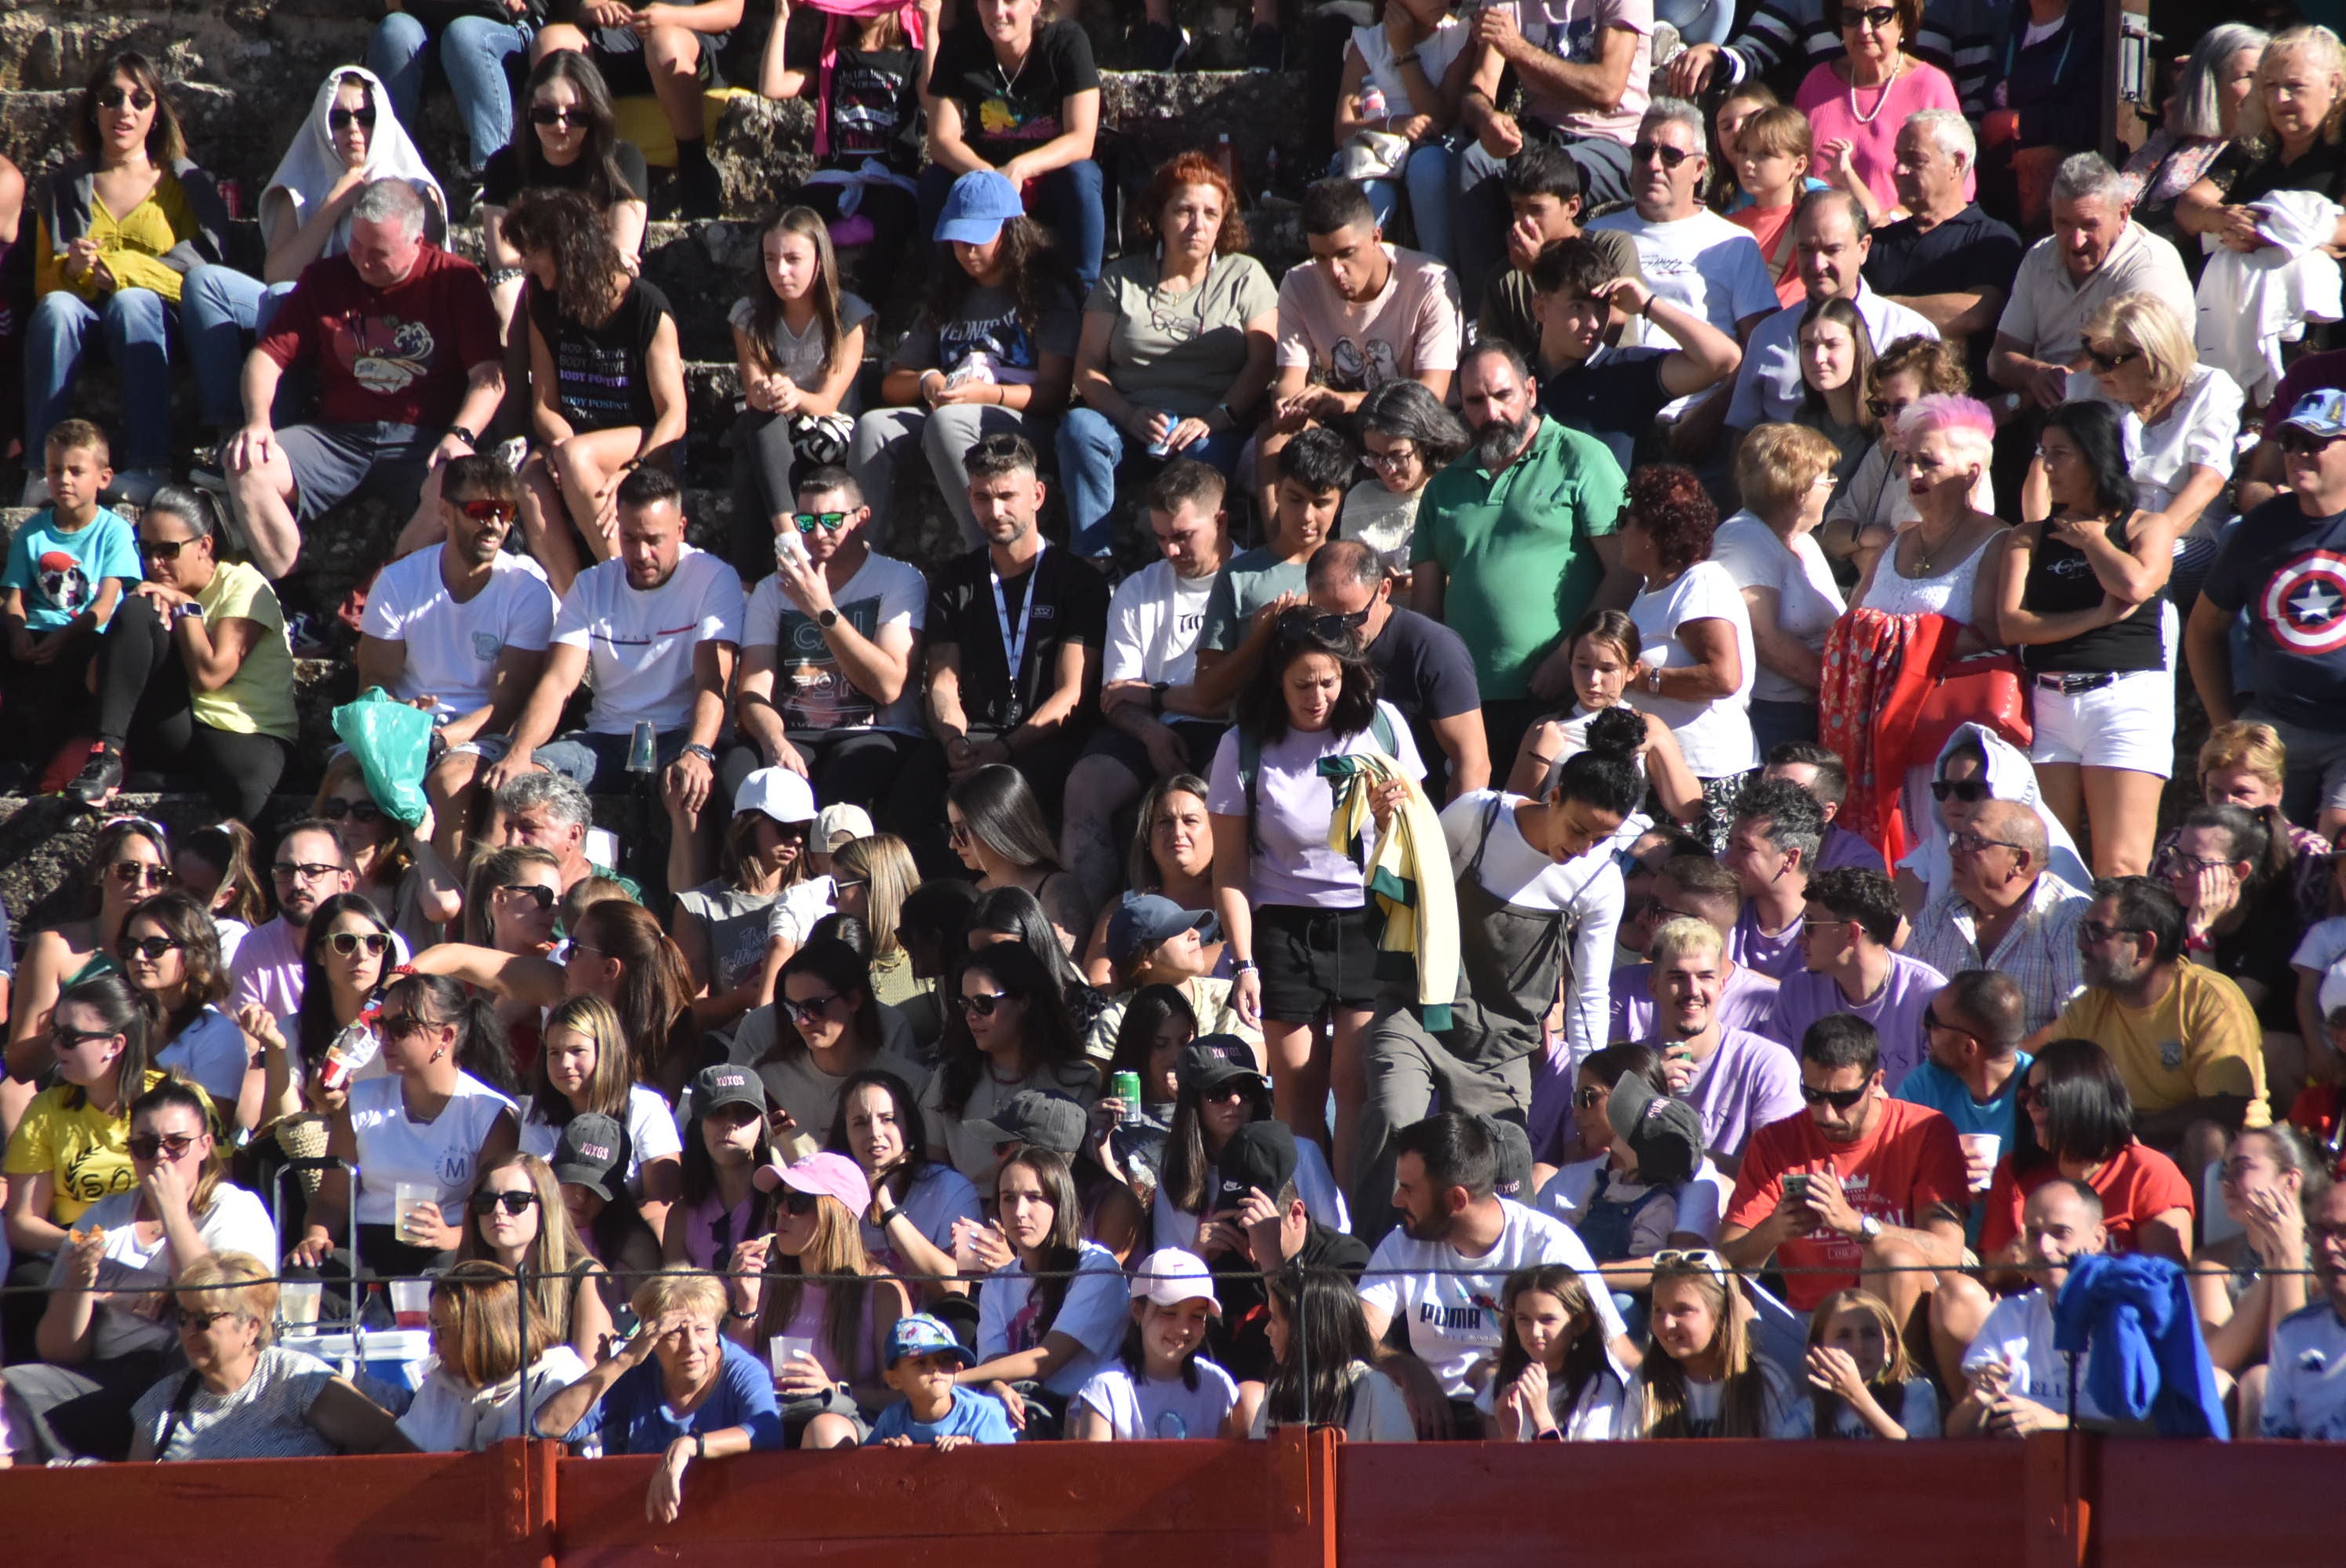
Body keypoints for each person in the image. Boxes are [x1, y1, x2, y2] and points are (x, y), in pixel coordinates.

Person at [1353, 726, 1636, 1232]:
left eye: (1603, 839)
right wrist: (1383, 826)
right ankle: (1372, 1265)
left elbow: (1589, 994)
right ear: (1553, 797)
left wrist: (1586, 1093)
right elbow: (1407, 875)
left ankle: (1502, 1294)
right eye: (1578, 829)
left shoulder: (1601, 880)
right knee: (1396, 1122)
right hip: (1418, 1012)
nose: (1586, 848)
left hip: (1502, 1044)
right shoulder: (1479, 815)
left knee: (1506, 1163)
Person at [1209, 612, 1424, 1178]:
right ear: (1277, 680)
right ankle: (1310, 1220)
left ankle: (1349, 1225)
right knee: (1299, 1093)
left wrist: (1389, 816)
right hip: (1282, 927)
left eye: (1329, 681)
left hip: (1366, 919)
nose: (1317, 697)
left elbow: (1420, 836)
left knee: (1353, 1089)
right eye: (1302, 684)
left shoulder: (1382, 727)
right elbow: (1230, 870)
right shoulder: (1243, 745)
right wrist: (1244, 963)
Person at [224, 177, 503, 580]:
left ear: (417, 242)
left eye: (379, 253)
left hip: (421, 438)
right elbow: (266, 358)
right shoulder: (326, 279)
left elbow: (488, 377)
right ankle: (291, 595)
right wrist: (257, 422)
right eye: (356, 245)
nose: (363, 261)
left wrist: (461, 435)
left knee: (455, 483)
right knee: (246, 465)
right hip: (339, 437)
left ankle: (388, 590)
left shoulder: (456, 281)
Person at [4, 1080, 270, 1462]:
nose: (160, 1157)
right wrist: (79, 1281)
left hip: (195, 1370)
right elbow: (57, 1349)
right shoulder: (105, 1217)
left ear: (204, 1146)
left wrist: (174, 1213)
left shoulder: (234, 1210)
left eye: (175, 1143)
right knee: (9, 1389)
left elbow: (213, 1304)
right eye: (145, 1147)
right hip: (109, 1373)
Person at [179, 67, 445, 445]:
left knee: (279, 299)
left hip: (365, 316)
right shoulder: (302, 181)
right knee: (206, 283)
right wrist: (334, 203)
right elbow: (278, 272)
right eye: (340, 118)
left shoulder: (410, 186)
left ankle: (281, 434)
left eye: (365, 117)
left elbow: (426, 269)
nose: (353, 129)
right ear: (322, 124)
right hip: (304, 305)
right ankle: (225, 427)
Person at [484, 466, 743, 855]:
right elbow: (557, 683)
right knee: (520, 788)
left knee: (686, 792)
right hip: (604, 739)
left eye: (654, 540)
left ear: (681, 529)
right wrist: (520, 752)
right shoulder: (592, 585)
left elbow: (713, 681)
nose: (640, 554)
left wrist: (698, 751)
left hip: (676, 734)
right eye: (630, 538)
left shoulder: (711, 578)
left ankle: (684, 908)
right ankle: (494, 904)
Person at [1413, 338, 1632, 768]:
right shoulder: (1442, 487)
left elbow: (1625, 572)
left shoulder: (1582, 457)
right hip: (1465, 706)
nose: (1491, 412)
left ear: (1530, 390)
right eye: (1475, 400)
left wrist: (1568, 655)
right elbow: (1425, 608)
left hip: (1562, 698)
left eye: (1503, 395)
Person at [23, 53, 231, 504]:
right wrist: (71, 270)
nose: (125, 111)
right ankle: (41, 470)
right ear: (94, 108)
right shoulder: (60, 186)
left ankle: (149, 465)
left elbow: (204, 275)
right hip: (83, 320)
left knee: (132, 302)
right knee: (56, 307)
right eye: (112, 98)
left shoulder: (185, 184)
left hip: (155, 323)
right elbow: (43, 285)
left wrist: (122, 272)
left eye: (140, 99)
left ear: (157, 113)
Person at [1059, 151, 1275, 558]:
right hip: (1129, 430)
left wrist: (1213, 419)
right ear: (1159, 216)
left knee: (1198, 459)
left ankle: (1187, 567)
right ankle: (1094, 564)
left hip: (1210, 433)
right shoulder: (1120, 278)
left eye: (1211, 213)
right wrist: (1127, 414)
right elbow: (1087, 369)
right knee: (1079, 429)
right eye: (1184, 211)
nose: (1198, 224)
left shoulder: (1245, 276)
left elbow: (1263, 362)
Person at [1994, 404, 2175, 880]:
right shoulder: (2027, 537)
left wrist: (2095, 541)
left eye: (2060, 454)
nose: (2046, 467)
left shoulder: (2145, 527)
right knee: (2051, 863)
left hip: (2125, 699)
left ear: (2095, 457)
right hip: (2050, 703)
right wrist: (2095, 617)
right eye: (2043, 453)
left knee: (2121, 864)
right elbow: (2012, 625)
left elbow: (2136, 585)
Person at [855, 178, 1078, 551]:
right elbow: (892, 384)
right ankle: (858, 561)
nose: (967, 250)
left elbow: (1054, 392)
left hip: (1022, 422)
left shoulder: (1045, 294)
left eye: (977, 238)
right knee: (872, 427)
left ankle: (991, 553)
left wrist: (987, 394)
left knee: (947, 422)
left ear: (1010, 231)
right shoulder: (947, 295)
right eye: (958, 240)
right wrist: (928, 381)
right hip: (952, 416)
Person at [1720, 1014, 1969, 1346]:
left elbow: (1947, 1253)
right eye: (1811, 1095)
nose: (1826, 1114)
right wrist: (1773, 1231)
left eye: (1843, 1099)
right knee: (1720, 1294)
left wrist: (1856, 1224)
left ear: (1877, 1081)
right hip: (1809, 1323)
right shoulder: (1774, 1142)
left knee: (1892, 1258)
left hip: (1894, 1321)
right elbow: (1723, 1260)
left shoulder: (1924, 1131)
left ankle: (1896, 1390)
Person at [354, 453, 554, 865]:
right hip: (403, 726)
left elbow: (507, 703)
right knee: (344, 790)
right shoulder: (399, 582)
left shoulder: (526, 589)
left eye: (505, 511)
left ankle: (454, 914)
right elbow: (373, 688)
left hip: (480, 734)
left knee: (451, 782)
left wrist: (440, 739)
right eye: (480, 510)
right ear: (445, 510)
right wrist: (403, 721)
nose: (495, 523)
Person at [911, 433, 1109, 845]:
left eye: (1007, 496)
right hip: (974, 736)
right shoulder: (955, 579)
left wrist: (1006, 747)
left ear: (1037, 495)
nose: (995, 510)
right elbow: (943, 680)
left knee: (1001, 797)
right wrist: (953, 739)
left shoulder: (1079, 580)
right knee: (911, 793)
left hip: (1045, 738)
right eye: (983, 498)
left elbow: (1070, 693)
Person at [1360, 1112, 1632, 1410]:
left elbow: (1612, 1348)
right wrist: (1406, 1369)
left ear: (1457, 1201)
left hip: (1527, 1413)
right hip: (1429, 1415)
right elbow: (1356, 1334)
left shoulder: (1548, 1244)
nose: (1396, 1200)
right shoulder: (1404, 1242)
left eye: (1409, 1189)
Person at [60, 488, 296, 821]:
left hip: (244, 736)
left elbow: (210, 676)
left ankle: (171, 779)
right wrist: (128, 623)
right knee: (138, 611)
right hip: (183, 732)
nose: (155, 563)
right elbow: (97, 683)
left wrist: (186, 608)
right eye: (146, 550)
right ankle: (106, 757)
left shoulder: (243, 583)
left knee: (244, 802)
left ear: (204, 546)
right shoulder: (152, 597)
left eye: (168, 551)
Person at [1059, 463, 1235, 902]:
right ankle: (1078, 933)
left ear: (1220, 520)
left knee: (1226, 777)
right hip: (1150, 724)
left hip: (1225, 726)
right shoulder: (1138, 589)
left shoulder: (1249, 581)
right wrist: (1151, 729)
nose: (1170, 551)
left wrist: (1154, 694)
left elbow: (1233, 701)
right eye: (1160, 537)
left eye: (1182, 536)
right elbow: (1116, 696)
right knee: (1086, 784)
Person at [505, 188, 686, 588]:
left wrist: (634, 468)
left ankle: (627, 590)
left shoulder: (644, 306)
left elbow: (674, 415)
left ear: (566, 249)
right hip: (575, 441)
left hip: (642, 442)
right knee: (529, 481)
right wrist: (561, 450)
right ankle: (579, 605)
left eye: (534, 251)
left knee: (575, 455)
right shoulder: (542, 300)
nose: (526, 263)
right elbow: (544, 404)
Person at [2188, 389, 2346, 834]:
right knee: (2245, 835)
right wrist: (2227, 727)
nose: (2298, 454)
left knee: (2340, 827)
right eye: (2291, 443)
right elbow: (2204, 628)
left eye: (2315, 443)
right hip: (2277, 723)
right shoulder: (2258, 529)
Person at [1260, 177, 1460, 517]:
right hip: (1350, 425)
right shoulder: (1299, 282)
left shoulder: (1428, 282)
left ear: (1376, 237)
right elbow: (1290, 374)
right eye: (1320, 257)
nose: (1333, 271)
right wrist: (1287, 404)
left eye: (1345, 254)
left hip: (1419, 426)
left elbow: (1431, 395)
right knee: (1273, 440)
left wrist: (1344, 402)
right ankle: (1286, 557)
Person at [2047, 876, 2268, 1170]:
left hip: (2217, 1157)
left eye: (2096, 932)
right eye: (2082, 929)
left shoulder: (2210, 998)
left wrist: (2129, 1129)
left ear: (2145, 945)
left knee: (2206, 1136)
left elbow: (2227, 1108)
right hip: (2121, 1144)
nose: (2081, 944)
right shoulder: (2089, 1005)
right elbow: (2058, 1085)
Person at [530, 1271, 785, 1522]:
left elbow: (766, 1429)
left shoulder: (742, 1371)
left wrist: (690, 1445)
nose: (692, 1345)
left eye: (702, 1330)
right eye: (675, 1332)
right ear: (650, 1335)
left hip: (726, 1522)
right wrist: (626, 1358)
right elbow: (549, 1425)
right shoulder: (639, 1373)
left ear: (717, 1327)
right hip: (642, 1526)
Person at [125, 1251, 410, 1461]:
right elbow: (137, 1499)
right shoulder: (161, 1403)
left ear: (252, 1327)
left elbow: (394, 1445)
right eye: (183, 1318)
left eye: (204, 1320)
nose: (189, 1331)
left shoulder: (298, 1382)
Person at [1722, 190, 1939, 446]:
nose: (1817, 263)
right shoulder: (1768, 335)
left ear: (1863, 248)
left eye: (1832, 249)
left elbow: (1937, 431)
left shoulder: (1909, 332)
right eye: (1806, 249)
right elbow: (1742, 433)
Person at [1988, 153, 2196, 418]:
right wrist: (2036, 374)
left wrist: (2021, 400)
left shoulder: (2152, 265)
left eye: (2089, 225)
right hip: (2051, 418)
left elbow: (2122, 366)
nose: (2076, 241)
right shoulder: (2040, 256)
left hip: (2131, 418)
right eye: (2063, 223)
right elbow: (1999, 360)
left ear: (2123, 213)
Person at [726, 209, 874, 580]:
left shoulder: (849, 315)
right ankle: (790, 540)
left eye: (793, 260)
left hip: (829, 435)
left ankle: (747, 583)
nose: (781, 272)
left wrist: (793, 395)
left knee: (751, 468)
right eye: (771, 259)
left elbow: (827, 401)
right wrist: (767, 391)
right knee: (758, 422)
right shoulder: (748, 316)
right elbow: (753, 388)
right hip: (776, 431)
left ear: (819, 261)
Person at [726, 1151, 910, 1449]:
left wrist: (834, 1390)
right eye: (778, 1201)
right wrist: (746, 1302)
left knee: (824, 1429)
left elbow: (906, 1391)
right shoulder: (767, 1283)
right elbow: (730, 1381)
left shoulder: (880, 1291)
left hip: (851, 1427)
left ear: (836, 1214)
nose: (782, 1212)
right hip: (772, 1419)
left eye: (798, 1202)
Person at [921, 0, 1103, 291]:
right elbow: (942, 140)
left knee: (1082, 176)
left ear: (1034, 4)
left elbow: (1082, 138)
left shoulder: (1067, 41)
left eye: (1009, 2)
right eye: (988, 2)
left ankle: (1084, 291)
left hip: (1046, 175)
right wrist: (990, 178)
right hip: (983, 173)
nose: (998, 12)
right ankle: (939, 294)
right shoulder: (959, 45)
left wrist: (1019, 168)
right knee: (934, 182)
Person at [1526, 234, 1745, 474]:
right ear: (1540, 308)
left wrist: (1647, 305)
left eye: (1601, 307)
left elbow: (1724, 359)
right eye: (1577, 307)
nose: (1594, 323)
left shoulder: (1623, 371)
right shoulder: (1511, 379)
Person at [1620, 464, 1756, 836]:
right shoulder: (1650, 590)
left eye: (1625, 518)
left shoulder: (1700, 582)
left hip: (1704, 780)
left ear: (1653, 530)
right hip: (1662, 775)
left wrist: (1645, 680)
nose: (1620, 530)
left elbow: (1724, 676)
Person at [0, 420, 137, 785]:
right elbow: (13, 597)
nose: (64, 480)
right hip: (35, 633)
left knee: (72, 665)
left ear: (104, 477)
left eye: (76, 471)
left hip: (83, 636)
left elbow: (105, 606)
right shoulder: (32, 531)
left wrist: (62, 638)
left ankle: (37, 765)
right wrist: (17, 633)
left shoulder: (115, 532)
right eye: (55, 470)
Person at [2046, 293, 2238, 553]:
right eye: (2092, 355)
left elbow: (2206, 483)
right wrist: (2039, 538)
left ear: (2152, 358)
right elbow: (2043, 468)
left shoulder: (2211, 390)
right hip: (2096, 533)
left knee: (2132, 579)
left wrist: (2145, 546)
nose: (2095, 371)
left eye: (2106, 361)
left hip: (2183, 539)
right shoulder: (2086, 387)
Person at [1977, 1037, 2195, 1265]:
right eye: (2025, 1097)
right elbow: (1993, 1273)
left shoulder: (2148, 1173)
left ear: (2083, 1097)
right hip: (2035, 1300)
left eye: (2042, 1096)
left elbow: (2165, 1280)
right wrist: (2016, 1260)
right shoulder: (2015, 1171)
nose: (2030, 1106)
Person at [1584, 98, 1777, 355]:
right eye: (1643, 153)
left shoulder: (1733, 243)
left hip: (1703, 392)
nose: (1653, 165)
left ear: (1699, 168)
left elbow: (1763, 349)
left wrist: (1718, 398)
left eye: (1671, 156)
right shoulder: (1597, 235)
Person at [961, 1146, 1131, 1435]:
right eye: (1008, 1199)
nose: (1019, 1212)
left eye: (1034, 1197)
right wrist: (994, 1386)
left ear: (1059, 1202)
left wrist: (954, 1379)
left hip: (1082, 1415)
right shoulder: (997, 1282)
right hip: (1020, 1409)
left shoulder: (1097, 1267)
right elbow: (992, 1360)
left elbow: (1046, 1359)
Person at [1302, 538, 1489, 801]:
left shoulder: (1432, 648)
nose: (1340, 632)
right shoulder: (1311, 641)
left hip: (1414, 813)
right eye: (1327, 619)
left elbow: (1473, 762)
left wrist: (1448, 838)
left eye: (1354, 618)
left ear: (1384, 590)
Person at [474, 49, 649, 326]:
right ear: (529, 110)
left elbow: (620, 252)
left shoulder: (622, 161)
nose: (560, 124)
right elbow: (504, 259)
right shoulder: (504, 165)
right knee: (507, 289)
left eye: (576, 115)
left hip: (596, 283)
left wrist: (545, 260)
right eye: (546, 113)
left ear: (595, 113)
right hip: (530, 285)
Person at [753, 0, 929, 271]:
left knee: (894, 221)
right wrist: (781, 18)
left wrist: (930, 25)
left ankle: (871, 307)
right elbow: (772, 86)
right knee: (790, 223)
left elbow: (932, 99)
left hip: (892, 179)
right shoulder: (831, 60)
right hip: (835, 177)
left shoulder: (913, 59)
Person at [1189, 428, 1353, 715]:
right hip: (1255, 744)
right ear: (1276, 491)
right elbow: (1205, 694)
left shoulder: (1354, 575)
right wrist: (1260, 638)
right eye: (1295, 498)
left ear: (1340, 501)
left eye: (1321, 503)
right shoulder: (1238, 576)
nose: (1306, 516)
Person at [533, 0, 741, 221]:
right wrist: (591, 10)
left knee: (664, 40)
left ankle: (694, 169)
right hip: (618, 37)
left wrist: (673, 16)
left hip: (685, 38)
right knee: (552, 40)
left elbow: (731, 11)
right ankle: (565, 170)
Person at [1711, 423, 1844, 753]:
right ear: (1800, 491)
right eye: (1828, 479)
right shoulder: (1744, 537)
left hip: (1813, 712)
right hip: (1773, 719)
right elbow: (1763, 638)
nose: (1833, 487)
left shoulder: (1805, 543)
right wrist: (1837, 689)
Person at [1636, 916, 1803, 1177]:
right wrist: (1645, 1095)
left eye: (1705, 977)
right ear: (1653, 986)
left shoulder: (1767, 1063)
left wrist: (1687, 1160)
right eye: (1677, 977)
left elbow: (1778, 1171)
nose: (1692, 990)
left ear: (1722, 985)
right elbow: (1605, 1162)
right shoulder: (1631, 1067)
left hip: (1729, 1209)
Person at [921, 942, 1100, 1185]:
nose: (971, 1015)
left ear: (1024, 1000)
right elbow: (934, 1181)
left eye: (984, 1003)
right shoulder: (948, 1079)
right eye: (964, 1004)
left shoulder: (1077, 1080)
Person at [1948, 1180, 2115, 1436]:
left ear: (2098, 1239)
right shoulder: (2009, 1316)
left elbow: (2155, 1429)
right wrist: (1979, 1401)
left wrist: (2058, 1424)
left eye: (2060, 1233)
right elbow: (1956, 1433)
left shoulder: (2129, 1315)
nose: (2044, 1248)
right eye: (2035, 1234)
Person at [1906, 804, 2089, 1036]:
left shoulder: (2068, 917)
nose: (1953, 851)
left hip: (2034, 1070)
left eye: (1972, 840)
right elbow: (1904, 1007)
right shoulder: (1938, 916)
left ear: (2019, 861)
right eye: (1956, 838)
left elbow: (2078, 1022)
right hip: (1940, 1068)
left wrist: (1997, 1067)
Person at [1863, 111, 2021, 372]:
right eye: (1898, 158)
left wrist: (1876, 307)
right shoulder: (1877, 243)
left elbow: (1975, 312)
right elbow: (1846, 311)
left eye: (1914, 159)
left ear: (1957, 164)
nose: (1899, 170)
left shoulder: (1991, 239)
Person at [2, 819, 163, 1076]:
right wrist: (74, 1028)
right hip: (65, 1096)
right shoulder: (56, 947)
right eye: (129, 871)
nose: (143, 884)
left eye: (157, 875)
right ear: (101, 873)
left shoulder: (174, 952)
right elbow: (20, 1064)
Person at [1153, 1039, 1346, 1254]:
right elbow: (1166, 1264)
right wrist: (1197, 1253)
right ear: (1192, 1101)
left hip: (1292, 1282)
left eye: (1246, 1089)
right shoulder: (1174, 1167)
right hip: (1207, 1285)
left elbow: (1337, 1241)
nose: (1235, 1100)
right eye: (1219, 1091)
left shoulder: (1301, 1154)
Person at [518, 994, 685, 1236]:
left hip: (628, 1236)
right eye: (554, 1052)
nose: (565, 1063)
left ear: (605, 1050)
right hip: (560, 1236)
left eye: (577, 1051)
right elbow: (534, 1192)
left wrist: (602, 1237)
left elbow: (663, 1204)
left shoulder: (645, 1106)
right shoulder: (538, 1110)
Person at [732, 936, 925, 1142]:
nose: (802, 1020)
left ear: (854, 1000)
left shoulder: (911, 1082)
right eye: (791, 1008)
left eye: (815, 1007)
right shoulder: (765, 1082)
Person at [1767, 867, 1945, 1087]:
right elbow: (1780, 1084)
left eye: (1810, 926)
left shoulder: (1928, 996)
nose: (1800, 939)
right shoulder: (1795, 993)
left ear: (1852, 933)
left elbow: (1941, 1093)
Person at [396, 1261, 594, 1454]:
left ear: (481, 1333)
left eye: (440, 1329)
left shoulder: (556, 1378)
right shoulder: (439, 1386)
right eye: (430, 1325)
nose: (431, 1341)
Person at [1329, 0, 1469, 270]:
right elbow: (1342, 131)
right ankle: (1367, 283)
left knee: (1427, 170)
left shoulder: (1457, 37)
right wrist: (1394, 124)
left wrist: (1404, 51)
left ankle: (1440, 277)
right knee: (1373, 194)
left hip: (1435, 149)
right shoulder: (1367, 44)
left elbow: (1439, 117)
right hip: (1376, 154)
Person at [680, 769, 825, 1029]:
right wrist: (743, 997)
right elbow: (688, 1014)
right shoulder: (697, 906)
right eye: (785, 828)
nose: (797, 839)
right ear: (747, 825)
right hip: (727, 1053)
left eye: (804, 829)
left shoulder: (814, 897)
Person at [1818, 333, 1972, 575]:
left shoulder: (1953, 465)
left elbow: (1905, 567)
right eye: (1881, 407)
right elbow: (1831, 534)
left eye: (1902, 407)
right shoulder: (1886, 448)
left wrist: (1857, 547)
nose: (1890, 420)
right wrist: (1872, 536)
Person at [1792, 0, 1963, 216]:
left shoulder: (1931, 86)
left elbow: (1958, 187)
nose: (1864, 29)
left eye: (1879, 15)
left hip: (1903, 240)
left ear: (1904, 19)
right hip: (1823, 242)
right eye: (1851, 16)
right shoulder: (1816, 83)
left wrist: (1891, 219)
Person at [1897, 971, 2033, 1231]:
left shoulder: (2041, 1093)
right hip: (1945, 1246)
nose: (1925, 1029)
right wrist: (1939, 1172)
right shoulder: (1926, 1084)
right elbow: (1889, 1165)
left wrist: (2004, 1187)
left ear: (1968, 1048)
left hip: (2025, 1249)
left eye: (1933, 1022)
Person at [829, 1069, 979, 1304]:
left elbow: (958, 1288)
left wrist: (889, 1211)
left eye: (888, 1119)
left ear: (908, 1124)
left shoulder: (952, 1187)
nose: (874, 1133)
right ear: (845, 1133)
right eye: (860, 1123)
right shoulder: (827, 1194)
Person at [456, 1150, 616, 1365]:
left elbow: (590, 1381)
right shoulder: (465, 1280)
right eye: (486, 1201)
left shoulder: (584, 1276)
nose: (498, 1210)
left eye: (516, 1201)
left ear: (545, 1208)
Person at [113, 891, 260, 1126]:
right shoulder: (113, 1019)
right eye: (130, 947)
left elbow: (211, 1130)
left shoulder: (215, 1033)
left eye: (155, 946)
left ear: (194, 951)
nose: (139, 957)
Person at [1605, 855, 1782, 1046]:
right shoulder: (1622, 987)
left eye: (1656, 909)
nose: (1640, 918)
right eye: (1646, 903)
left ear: (1697, 927)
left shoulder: (1770, 1004)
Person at [2119, 24, 2269, 247]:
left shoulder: (2259, 152)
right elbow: (2120, 201)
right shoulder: (2172, 140)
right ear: (2211, 84)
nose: (2261, 91)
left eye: (2267, 80)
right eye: (2249, 78)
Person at [1069, 1247, 1240, 1440]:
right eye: (1168, 1313)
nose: (1183, 1328)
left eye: (1197, 1316)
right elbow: (1095, 1468)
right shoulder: (1106, 1389)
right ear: (1137, 1310)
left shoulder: (1217, 1385)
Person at [365, 0, 539, 188]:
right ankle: (382, 174)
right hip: (425, 21)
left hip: (504, 27)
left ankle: (494, 182)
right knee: (394, 34)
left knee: (464, 35)